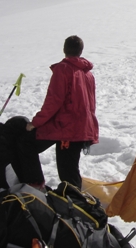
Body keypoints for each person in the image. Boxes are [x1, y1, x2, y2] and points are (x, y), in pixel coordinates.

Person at [12, 35, 98, 190]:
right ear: (80, 50)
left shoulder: (63, 69)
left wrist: (35, 123)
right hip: (81, 127)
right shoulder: (87, 74)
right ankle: (73, 200)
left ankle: (36, 185)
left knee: (27, 144)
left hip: (67, 128)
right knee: (69, 169)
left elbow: (54, 101)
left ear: (64, 49)